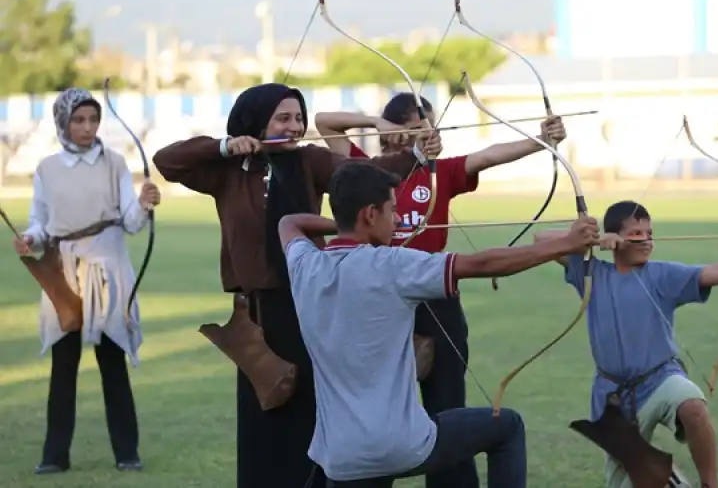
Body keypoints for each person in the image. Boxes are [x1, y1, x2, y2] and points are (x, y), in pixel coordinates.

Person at [151, 83, 441, 488]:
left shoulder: (309, 161)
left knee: (311, 408)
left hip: (311, 303)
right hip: (258, 315)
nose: (294, 127)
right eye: (283, 118)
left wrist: (414, 155)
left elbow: (363, 177)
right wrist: (226, 146)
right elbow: (167, 161)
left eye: (299, 118)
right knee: (267, 406)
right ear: (255, 122)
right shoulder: (228, 171)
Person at [277, 161, 600, 488]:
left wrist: (345, 222)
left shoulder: (305, 265)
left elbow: (289, 223)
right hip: (401, 445)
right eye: (392, 210)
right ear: (370, 215)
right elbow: (482, 263)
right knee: (508, 427)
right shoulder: (391, 265)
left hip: (341, 457)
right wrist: (566, 244)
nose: (399, 219)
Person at [315, 92, 567, 488]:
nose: (429, 134)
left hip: (434, 300)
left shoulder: (440, 172)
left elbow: (486, 156)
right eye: (418, 125)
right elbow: (325, 122)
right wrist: (377, 124)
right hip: (377, 302)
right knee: (374, 409)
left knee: (446, 406)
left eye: (432, 125)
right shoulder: (365, 175)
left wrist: (540, 140)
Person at [534, 200, 718, 488]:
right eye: (636, 234)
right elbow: (541, 240)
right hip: (613, 397)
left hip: (660, 378)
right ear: (617, 238)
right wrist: (591, 240)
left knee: (693, 406)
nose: (646, 240)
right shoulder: (592, 273)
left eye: (649, 233)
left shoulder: (662, 274)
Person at [11, 88, 161, 475]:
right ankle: (54, 456)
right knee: (64, 366)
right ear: (63, 121)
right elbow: (40, 223)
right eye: (78, 120)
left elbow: (130, 221)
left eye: (93, 119)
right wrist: (30, 240)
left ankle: (127, 453)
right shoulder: (47, 168)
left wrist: (144, 203)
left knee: (113, 364)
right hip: (64, 275)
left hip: (109, 272)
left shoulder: (114, 163)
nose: (87, 127)